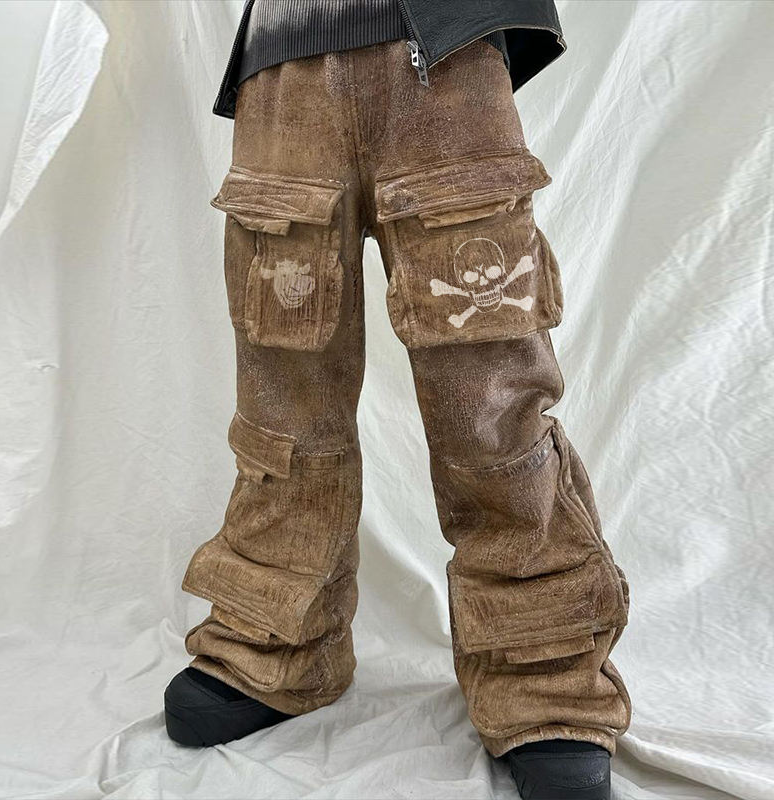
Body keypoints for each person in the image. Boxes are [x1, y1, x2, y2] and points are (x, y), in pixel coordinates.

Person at [164, 2, 632, 798]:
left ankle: (543, 678)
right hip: (282, 63)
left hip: (446, 49)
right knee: (283, 408)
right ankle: (277, 642)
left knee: (492, 410)